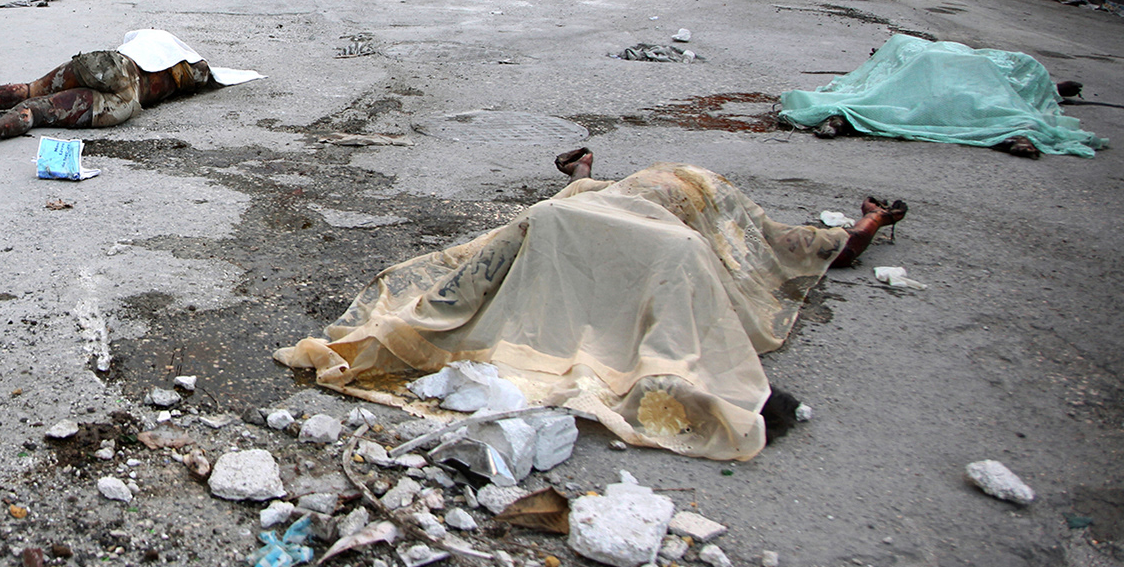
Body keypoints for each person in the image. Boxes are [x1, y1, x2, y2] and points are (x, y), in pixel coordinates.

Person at [277, 150, 908, 461]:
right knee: (767, 258)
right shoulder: (703, 228)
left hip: (601, 210)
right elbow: (809, 250)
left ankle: (586, 171)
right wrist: (869, 223)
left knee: (546, 223)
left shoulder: (580, 204)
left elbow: (479, 273)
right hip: (654, 212)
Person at [0, 29, 260, 148]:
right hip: (127, 103)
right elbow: (206, 74)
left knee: (32, 89)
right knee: (39, 112)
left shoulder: (139, 46)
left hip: (112, 67)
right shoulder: (185, 67)